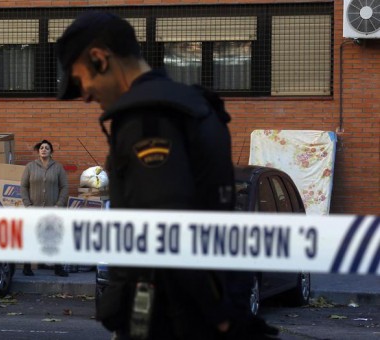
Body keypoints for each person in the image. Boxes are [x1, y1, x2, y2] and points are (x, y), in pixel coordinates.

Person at [56, 11, 278, 340]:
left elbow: (167, 226)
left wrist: (219, 318)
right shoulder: (191, 106)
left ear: (100, 59)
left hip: (168, 316)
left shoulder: (147, 120)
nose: (84, 95)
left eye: (79, 81)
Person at [20, 139, 69, 277]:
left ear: (51, 151)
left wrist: (59, 204)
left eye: (47, 148)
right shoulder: (30, 166)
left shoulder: (58, 167)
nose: (44, 149)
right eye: (41, 147)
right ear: (38, 150)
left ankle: (58, 268)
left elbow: (64, 187)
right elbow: (23, 186)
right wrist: (27, 205)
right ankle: (27, 267)